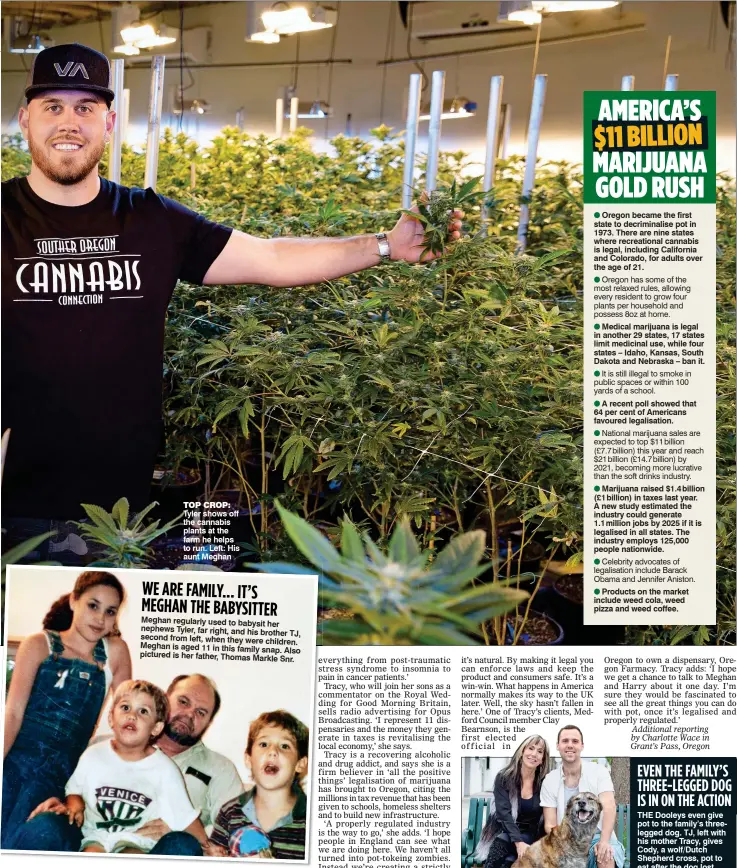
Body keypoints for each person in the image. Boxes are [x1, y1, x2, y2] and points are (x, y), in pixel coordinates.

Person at [1, 42, 463, 550]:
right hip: (10, 503)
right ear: (26, 120)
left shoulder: (151, 220)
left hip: (119, 507)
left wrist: (384, 245)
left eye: (86, 108)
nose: (70, 122)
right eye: (53, 107)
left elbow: (272, 258)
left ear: (109, 124)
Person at [2, 570, 132, 849]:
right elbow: (12, 713)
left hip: (63, 774)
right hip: (15, 762)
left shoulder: (115, 652)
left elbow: (126, 721)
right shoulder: (38, 644)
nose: (100, 619)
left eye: (110, 611)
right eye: (93, 605)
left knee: (37, 836)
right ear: (74, 601)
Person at [28, 679, 206, 855]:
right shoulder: (93, 755)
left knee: (134, 856)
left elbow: (185, 817)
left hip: (137, 840)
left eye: (143, 711)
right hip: (97, 836)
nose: (132, 716)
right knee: (90, 855)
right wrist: (75, 806)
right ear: (111, 717)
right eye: (125, 707)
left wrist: (208, 846)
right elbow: (75, 789)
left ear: (156, 728)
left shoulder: (165, 768)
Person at [134, 674, 244, 844]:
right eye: (183, 702)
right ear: (164, 700)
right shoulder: (115, 746)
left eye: (201, 712)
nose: (189, 714)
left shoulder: (221, 769)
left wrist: (180, 834)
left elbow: (232, 827)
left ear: (208, 723)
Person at [208, 710, 309, 859]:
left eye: (285, 746)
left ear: (300, 764)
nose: (273, 751)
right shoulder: (229, 813)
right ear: (248, 759)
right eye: (264, 744)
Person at [540, 726, 626, 868]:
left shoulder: (599, 772)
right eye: (565, 741)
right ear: (558, 746)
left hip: (599, 837)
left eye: (575, 741)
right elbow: (549, 824)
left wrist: (604, 842)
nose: (570, 745)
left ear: (582, 746)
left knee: (605, 855)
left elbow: (609, 806)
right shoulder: (550, 780)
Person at [474, 735, 552, 868]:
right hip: (503, 831)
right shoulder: (504, 777)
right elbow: (504, 814)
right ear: (522, 751)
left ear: (542, 759)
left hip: (532, 835)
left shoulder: (545, 783)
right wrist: (518, 842)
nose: (534, 754)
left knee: (512, 856)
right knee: (506, 849)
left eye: (540, 751)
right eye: (531, 748)